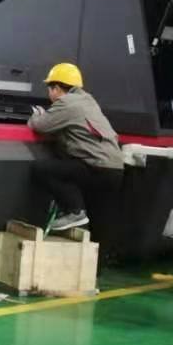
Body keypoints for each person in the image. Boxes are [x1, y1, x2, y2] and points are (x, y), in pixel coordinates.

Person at [28, 62, 125, 232]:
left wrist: (37, 116)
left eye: (50, 89)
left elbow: (40, 125)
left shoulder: (66, 102)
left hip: (96, 168)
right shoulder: (88, 100)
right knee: (98, 224)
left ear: (57, 88)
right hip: (115, 170)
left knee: (42, 169)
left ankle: (75, 211)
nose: (49, 93)